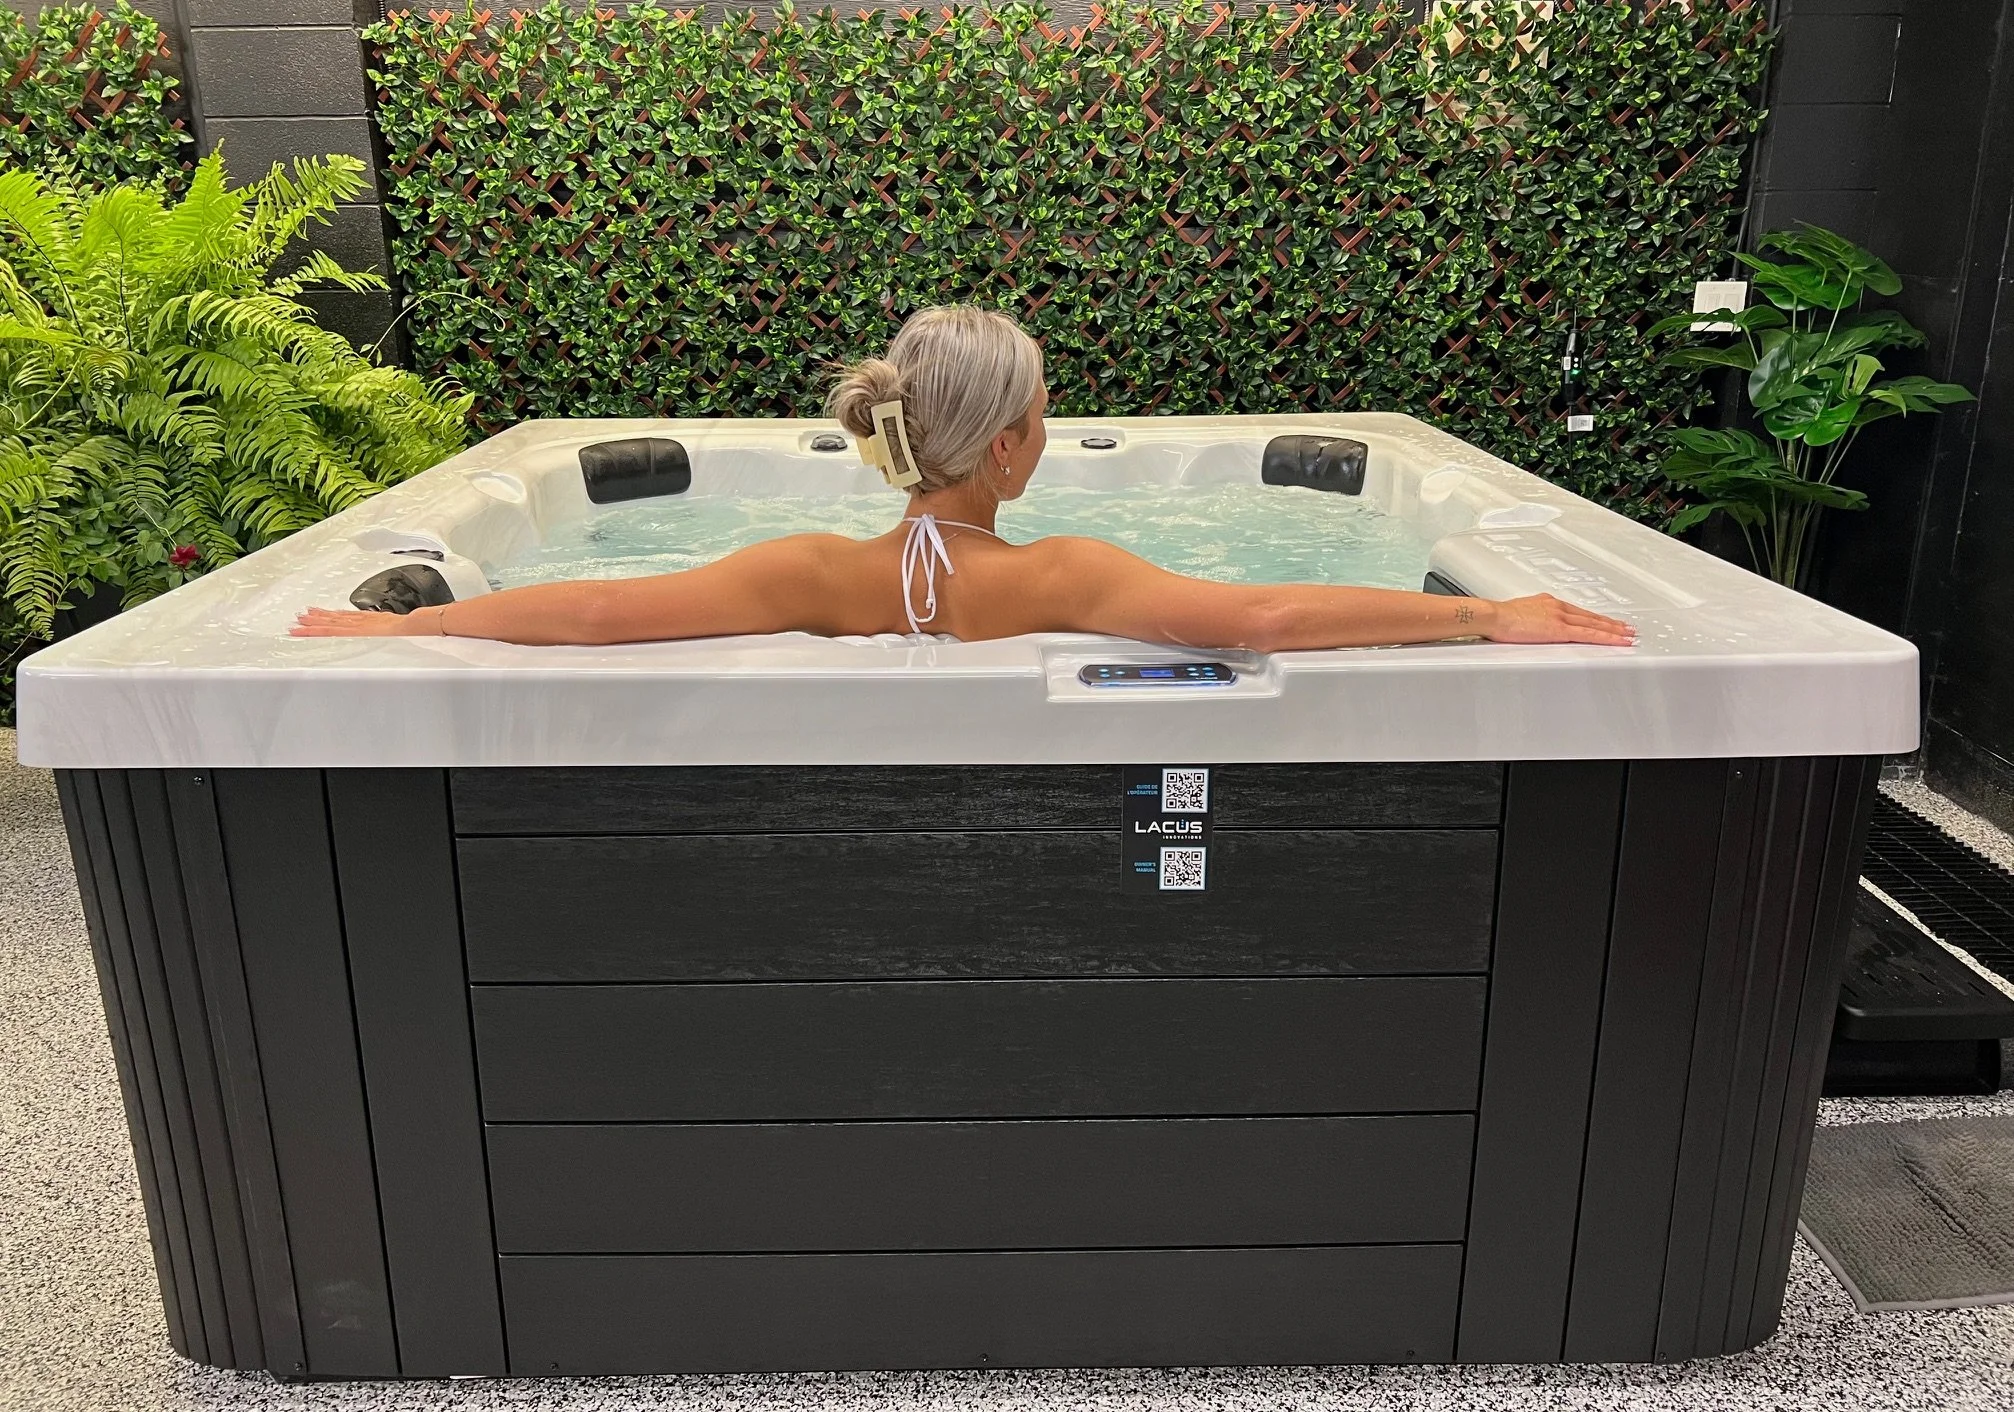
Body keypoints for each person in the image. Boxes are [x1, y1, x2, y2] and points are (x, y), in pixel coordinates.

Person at [293, 306, 1634, 651]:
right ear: (1005, 447)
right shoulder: (1057, 576)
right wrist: (1484, 614)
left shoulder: (808, 571)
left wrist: (405, 622)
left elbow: (586, 614)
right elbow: (1265, 620)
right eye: (1044, 416)